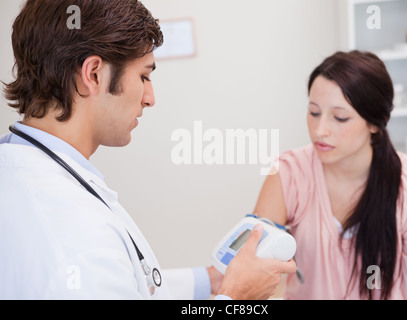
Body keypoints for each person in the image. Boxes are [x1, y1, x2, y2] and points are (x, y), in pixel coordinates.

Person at [0, 0, 296, 300]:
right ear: (93, 75)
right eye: (144, 76)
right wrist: (236, 297)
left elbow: (122, 282)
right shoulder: (74, 233)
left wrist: (211, 281)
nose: (150, 98)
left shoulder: (21, 168)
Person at [253, 50, 407, 299]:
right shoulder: (289, 173)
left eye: (340, 117)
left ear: (374, 124)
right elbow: (251, 262)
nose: (320, 130)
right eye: (314, 112)